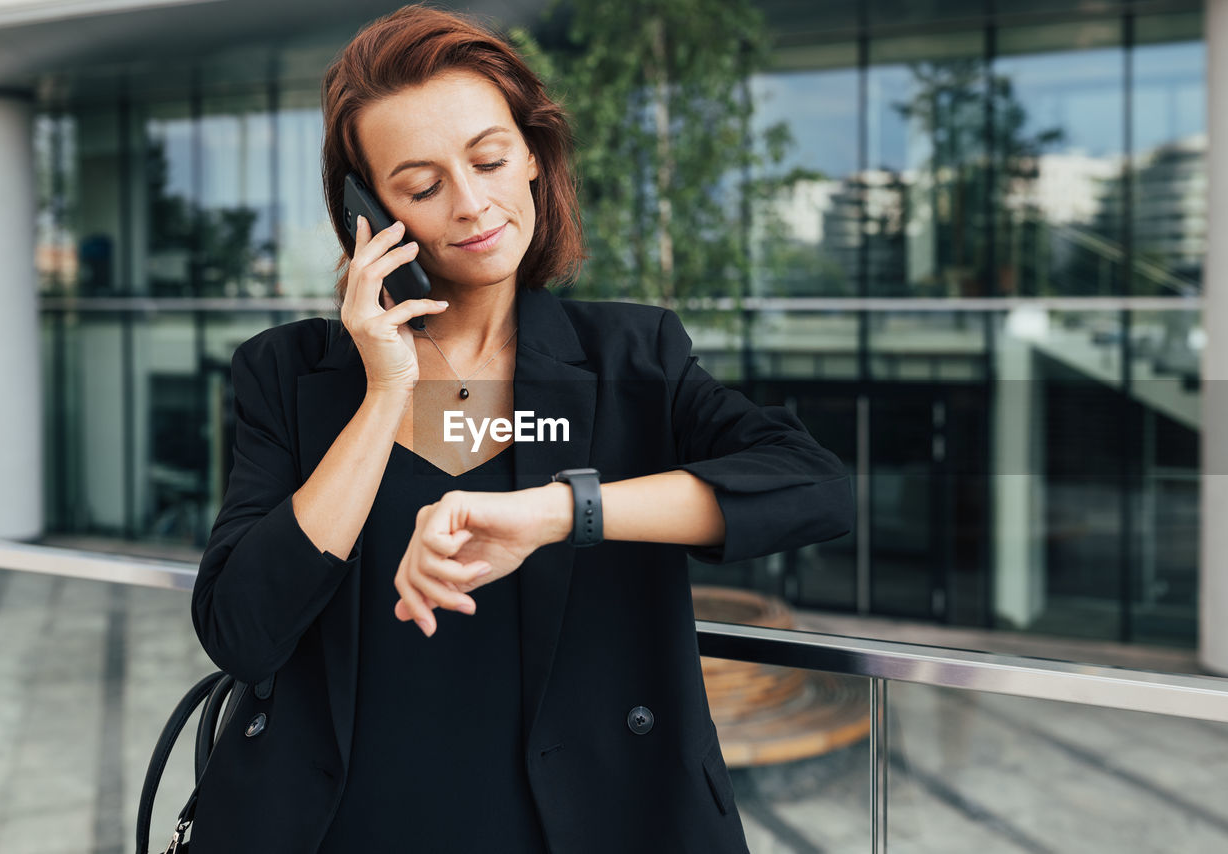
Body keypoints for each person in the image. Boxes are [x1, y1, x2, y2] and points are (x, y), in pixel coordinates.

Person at [189, 5, 853, 853]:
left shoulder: (632, 357)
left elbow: (815, 487)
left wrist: (558, 514)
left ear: (533, 156)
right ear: (369, 214)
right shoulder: (286, 375)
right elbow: (243, 633)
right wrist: (385, 388)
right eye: (422, 186)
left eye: (490, 160)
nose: (471, 205)